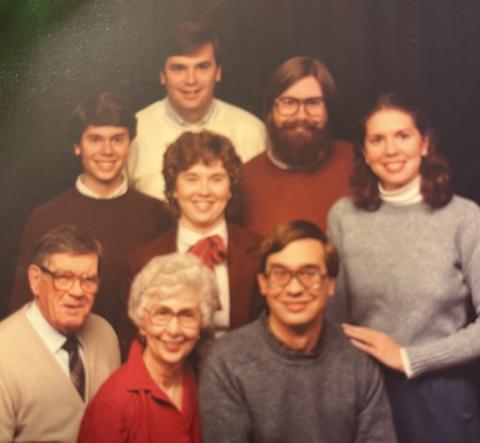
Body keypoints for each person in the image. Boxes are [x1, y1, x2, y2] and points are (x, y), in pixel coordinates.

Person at [327, 92, 480, 443]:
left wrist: (409, 358)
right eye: (377, 140)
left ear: (424, 143)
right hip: (366, 393)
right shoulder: (343, 216)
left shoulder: (463, 217)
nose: (391, 150)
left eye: (403, 136)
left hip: (440, 397)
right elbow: (335, 322)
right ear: (364, 153)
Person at [199, 220, 396, 443]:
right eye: (280, 274)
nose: (294, 288)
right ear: (263, 283)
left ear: (330, 284)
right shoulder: (226, 362)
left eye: (309, 274)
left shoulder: (358, 361)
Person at [10, 92, 171, 330]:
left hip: (138, 355)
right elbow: (22, 310)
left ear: (130, 143)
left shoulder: (157, 215)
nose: (107, 151)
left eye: (117, 139)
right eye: (95, 140)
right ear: (77, 146)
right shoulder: (44, 217)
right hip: (65, 358)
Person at [125, 130, 261, 348]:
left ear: (230, 189)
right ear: (174, 189)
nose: (204, 191)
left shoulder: (261, 253)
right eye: (191, 179)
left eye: (216, 179)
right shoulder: (141, 262)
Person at [78, 253, 218, 443]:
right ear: (141, 323)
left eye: (187, 315)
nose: (174, 330)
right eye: (162, 313)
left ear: (202, 323)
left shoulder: (206, 383)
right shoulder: (112, 404)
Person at [0, 225, 120, 442]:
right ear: (35, 280)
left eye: (88, 279)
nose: (77, 291)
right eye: (63, 277)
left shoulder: (105, 335)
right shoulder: (3, 353)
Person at [127, 21, 266, 200]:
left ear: (218, 72)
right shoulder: (133, 132)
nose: (191, 80)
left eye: (202, 67)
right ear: (162, 75)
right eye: (179, 68)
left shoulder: (252, 131)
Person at [240, 56, 353, 235]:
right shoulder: (245, 179)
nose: (301, 116)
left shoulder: (355, 163)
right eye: (289, 103)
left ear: (328, 111)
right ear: (270, 112)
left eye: (313, 103)